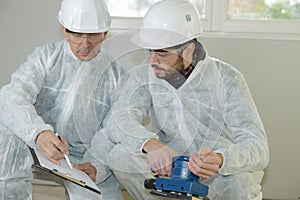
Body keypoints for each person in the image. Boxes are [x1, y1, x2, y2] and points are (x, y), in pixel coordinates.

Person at [90, 0, 270, 199]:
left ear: (188, 50)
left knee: (240, 182)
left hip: (214, 174)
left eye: (162, 53)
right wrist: (151, 144)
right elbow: (118, 118)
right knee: (121, 156)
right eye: (149, 51)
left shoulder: (226, 78)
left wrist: (220, 159)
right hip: (171, 167)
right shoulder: (145, 73)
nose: (152, 61)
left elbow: (258, 148)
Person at [0, 0, 126, 199]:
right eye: (76, 34)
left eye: (93, 35)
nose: (85, 44)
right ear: (64, 30)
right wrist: (38, 133)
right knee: (6, 122)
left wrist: (97, 167)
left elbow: (113, 131)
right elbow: (12, 96)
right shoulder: (46, 57)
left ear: (105, 33)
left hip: (80, 158)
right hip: (32, 144)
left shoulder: (117, 76)